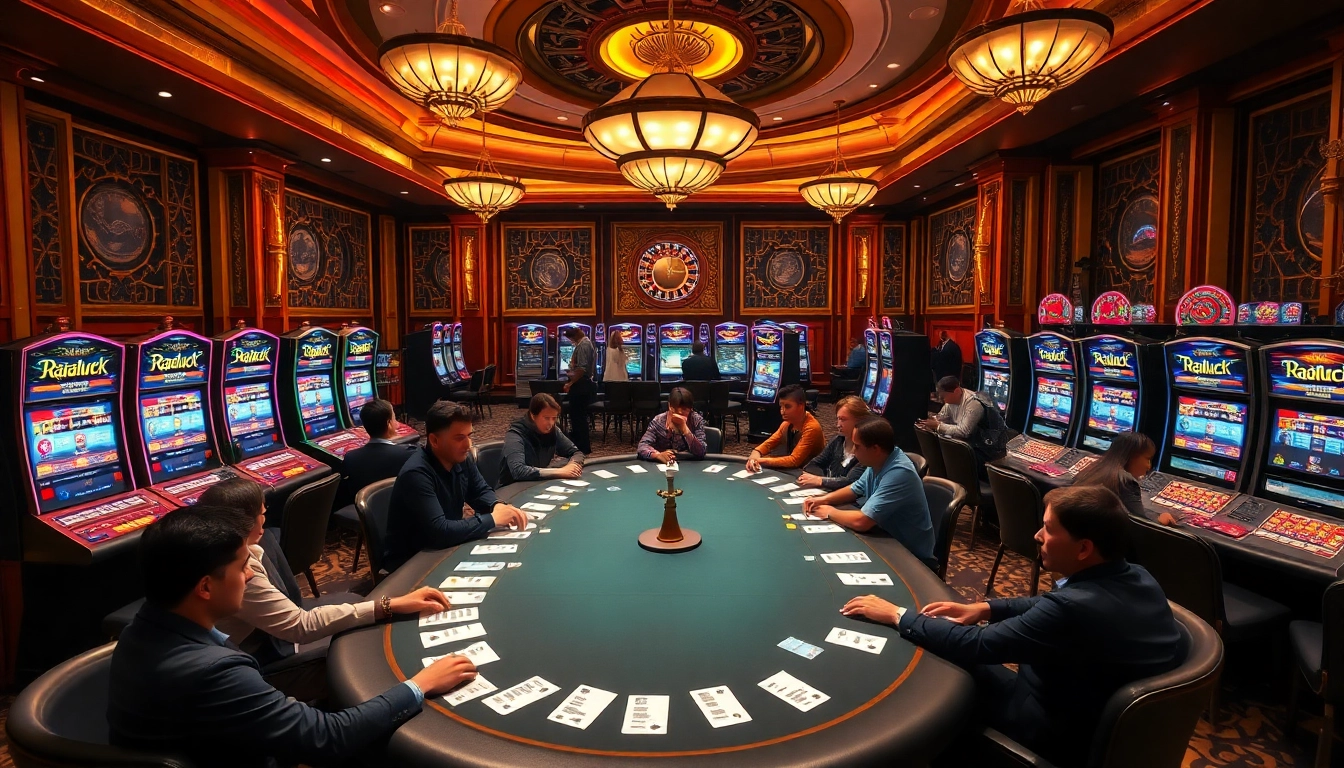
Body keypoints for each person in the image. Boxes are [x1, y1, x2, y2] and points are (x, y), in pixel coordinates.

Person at [839, 485, 1186, 768]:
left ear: (1084, 549)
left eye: (1048, 529)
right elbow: (1046, 603)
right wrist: (985, 606)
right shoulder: (1135, 575)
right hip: (1096, 714)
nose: (1037, 535)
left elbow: (976, 646)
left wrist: (897, 614)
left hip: (1053, 729)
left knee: (934, 672)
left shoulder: (1071, 608)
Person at [108, 505, 478, 768]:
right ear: (205, 587)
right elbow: (329, 739)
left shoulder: (140, 629)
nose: (251, 576)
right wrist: (419, 684)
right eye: (243, 568)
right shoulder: (212, 672)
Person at [201, 479, 452, 701]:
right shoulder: (235, 573)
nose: (265, 518)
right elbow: (301, 626)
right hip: (257, 659)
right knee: (365, 659)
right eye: (262, 512)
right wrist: (388, 605)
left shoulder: (246, 548)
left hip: (262, 641)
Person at [385, 401, 531, 572]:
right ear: (434, 440)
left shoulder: (461, 459)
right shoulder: (416, 474)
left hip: (444, 549)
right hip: (410, 563)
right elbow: (439, 532)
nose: (468, 445)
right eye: (459, 438)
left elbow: (480, 491)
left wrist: (496, 505)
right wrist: (492, 519)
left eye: (469, 436)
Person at [802, 418, 936, 569]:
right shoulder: (880, 460)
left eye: (857, 447)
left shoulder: (900, 473)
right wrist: (823, 500)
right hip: (884, 537)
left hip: (910, 555)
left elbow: (862, 522)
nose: (853, 451)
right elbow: (855, 488)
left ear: (875, 449)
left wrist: (830, 512)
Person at [1072, 432, 1175, 525]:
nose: (1149, 466)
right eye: (1147, 459)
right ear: (1131, 456)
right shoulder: (1126, 481)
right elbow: (1141, 525)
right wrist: (1160, 520)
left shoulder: (1094, 468)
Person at [917, 375, 1009, 471]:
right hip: (970, 444)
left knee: (948, 454)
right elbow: (943, 416)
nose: (940, 398)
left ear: (956, 391)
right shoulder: (950, 401)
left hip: (988, 448)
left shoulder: (974, 403)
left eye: (943, 395)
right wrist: (930, 421)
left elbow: (964, 431)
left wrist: (938, 426)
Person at [337, 398, 417, 508]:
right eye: (394, 418)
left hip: (366, 514)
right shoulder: (408, 455)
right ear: (389, 424)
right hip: (399, 512)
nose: (397, 422)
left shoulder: (351, 458)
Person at [498, 392, 585, 488]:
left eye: (554, 418)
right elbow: (518, 471)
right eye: (546, 418)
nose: (551, 423)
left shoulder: (553, 431)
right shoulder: (515, 435)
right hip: (511, 489)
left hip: (536, 484)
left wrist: (573, 466)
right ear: (533, 416)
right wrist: (560, 472)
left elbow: (576, 453)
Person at [799, 395, 871, 491]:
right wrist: (822, 481)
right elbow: (812, 465)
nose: (838, 425)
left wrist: (822, 481)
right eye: (838, 419)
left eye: (843, 419)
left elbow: (852, 482)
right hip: (831, 494)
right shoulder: (838, 440)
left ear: (860, 420)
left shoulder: (867, 448)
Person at [746, 384, 825, 471]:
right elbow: (768, 444)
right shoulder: (786, 424)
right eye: (781, 406)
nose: (782, 411)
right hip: (796, 470)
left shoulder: (811, 428)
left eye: (787, 406)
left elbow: (794, 460)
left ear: (801, 406)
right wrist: (756, 452)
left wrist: (760, 460)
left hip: (813, 473)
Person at [637, 386, 708, 463]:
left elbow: (701, 452)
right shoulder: (658, 421)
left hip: (689, 463)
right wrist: (657, 455)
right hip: (663, 465)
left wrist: (685, 429)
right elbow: (642, 446)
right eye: (675, 410)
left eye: (685, 410)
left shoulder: (696, 420)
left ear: (690, 409)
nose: (679, 414)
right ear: (670, 406)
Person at [562, 325, 598, 454]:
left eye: (571, 339)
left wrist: (570, 383)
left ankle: (581, 446)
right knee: (578, 417)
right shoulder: (586, 343)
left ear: (575, 336)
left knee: (578, 417)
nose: (571, 341)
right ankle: (579, 445)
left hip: (581, 385)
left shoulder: (583, 345)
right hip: (583, 383)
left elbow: (582, 369)